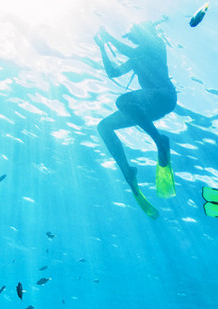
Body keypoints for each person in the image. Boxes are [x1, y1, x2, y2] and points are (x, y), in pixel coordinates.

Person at [93, 22, 177, 219]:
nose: (132, 38)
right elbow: (113, 72)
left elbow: (127, 50)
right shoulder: (137, 55)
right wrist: (102, 47)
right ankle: (127, 170)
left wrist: (108, 37)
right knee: (104, 126)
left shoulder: (156, 44)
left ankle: (160, 141)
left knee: (123, 101)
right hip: (147, 106)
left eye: (134, 35)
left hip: (163, 96)